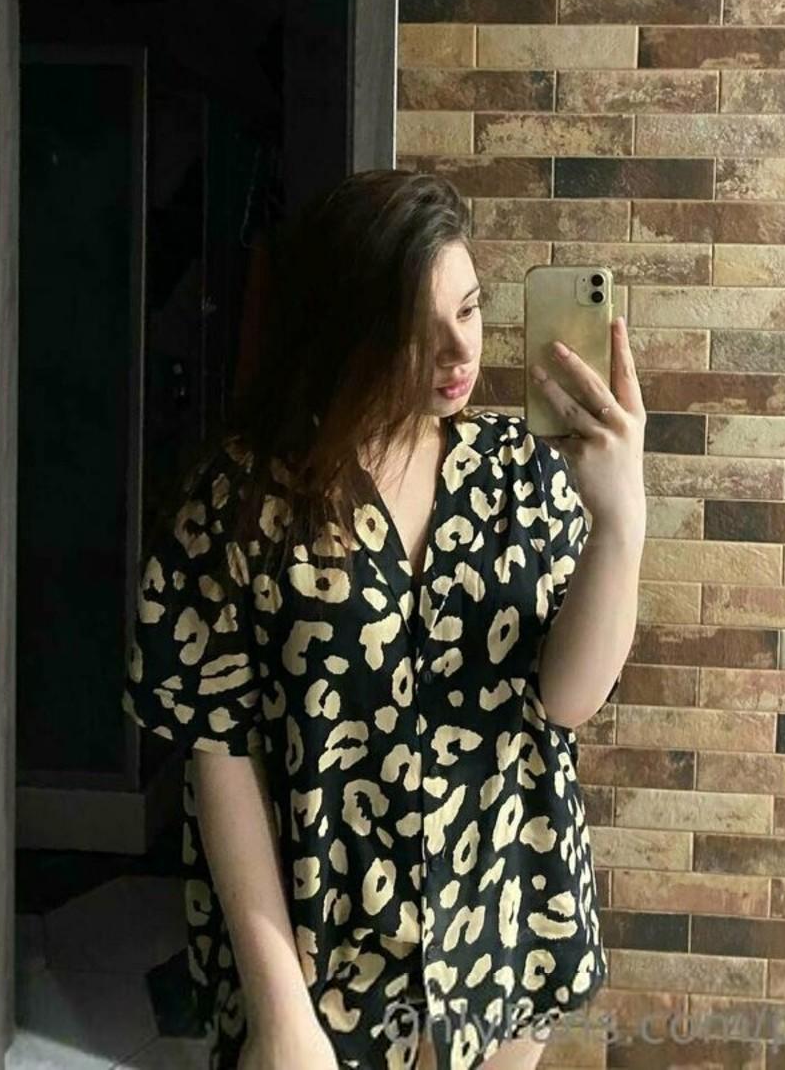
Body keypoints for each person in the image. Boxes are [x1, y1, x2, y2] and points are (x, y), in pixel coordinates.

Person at [122, 170, 645, 1070]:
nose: (458, 349)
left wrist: (620, 521)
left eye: (470, 310)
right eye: (415, 326)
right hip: (319, 958)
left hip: (506, 930)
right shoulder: (244, 496)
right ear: (345, 328)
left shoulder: (520, 471)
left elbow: (566, 702)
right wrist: (280, 1010)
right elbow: (220, 755)